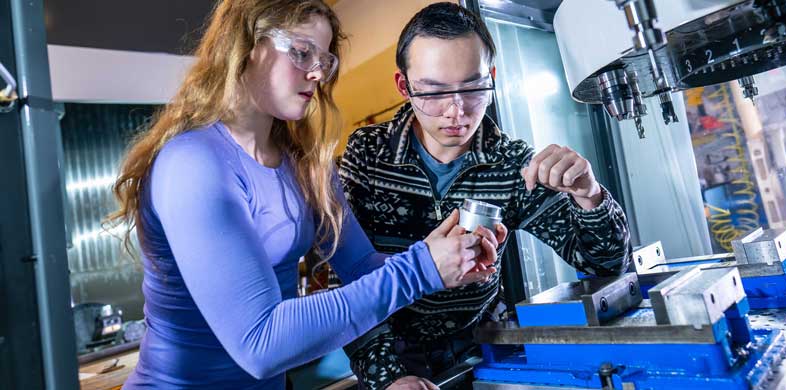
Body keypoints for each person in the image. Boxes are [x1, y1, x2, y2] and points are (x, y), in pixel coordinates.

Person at [107, 1, 505, 388]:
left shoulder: (305, 165)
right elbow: (260, 344)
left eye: (325, 59)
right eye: (301, 52)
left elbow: (362, 265)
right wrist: (421, 269)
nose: (317, 72)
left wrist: (447, 254)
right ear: (245, 46)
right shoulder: (194, 164)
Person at [338, 3, 632, 389]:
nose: (455, 112)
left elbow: (604, 265)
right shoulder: (368, 154)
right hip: (391, 348)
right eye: (434, 92)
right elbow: (345, 281)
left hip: (484, 349)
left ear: (491, 79)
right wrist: (389, 377)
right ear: (404, 86)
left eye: (473, 87)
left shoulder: (511, 164)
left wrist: (590, 196)